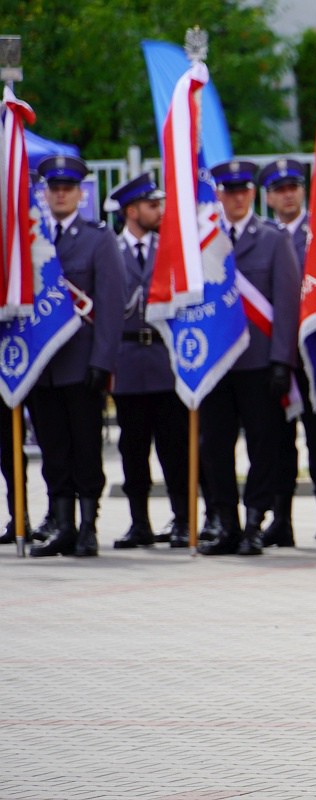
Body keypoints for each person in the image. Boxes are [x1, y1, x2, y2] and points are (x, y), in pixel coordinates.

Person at [198, 159, 300, 556]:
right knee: (214, 446)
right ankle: (225, 522)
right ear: (218, 195)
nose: (237, 198)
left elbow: (287, 303)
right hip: (217, 362)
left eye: (243, 190)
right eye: (229, 191)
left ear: (253, 194)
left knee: (265, 444)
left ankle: (255, 521)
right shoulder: (204, 239)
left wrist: (281, 360)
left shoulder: (273, 239)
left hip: (259, 364)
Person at [28, 155, 124, 559]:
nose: (61, 194)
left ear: (81, 193)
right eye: (55, 188)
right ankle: (62, 523)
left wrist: (102, 361)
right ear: (45, 193)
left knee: (86, 448)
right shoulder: (31, 241)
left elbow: (111, 303)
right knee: (53, 450)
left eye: (68, 187)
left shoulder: (98, 238)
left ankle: (87, 526)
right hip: (41, 366)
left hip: (82, 364)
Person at [258, 158, 316, 548]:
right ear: (268, 197)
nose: (287, 195)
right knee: (275, 440)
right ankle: (281, 518)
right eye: (278, 189)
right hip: (275, 353)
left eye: (293, 186)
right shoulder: (264, 236)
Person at [106, 172, 190, 549]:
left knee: (175, 447)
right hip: (126, 361)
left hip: (165, 360)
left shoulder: (171, 248)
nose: (159, 210)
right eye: (152, 205)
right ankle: (139, 522)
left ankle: (183, 520)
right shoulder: (111, 249)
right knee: (133, 449)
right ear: (131, 210)